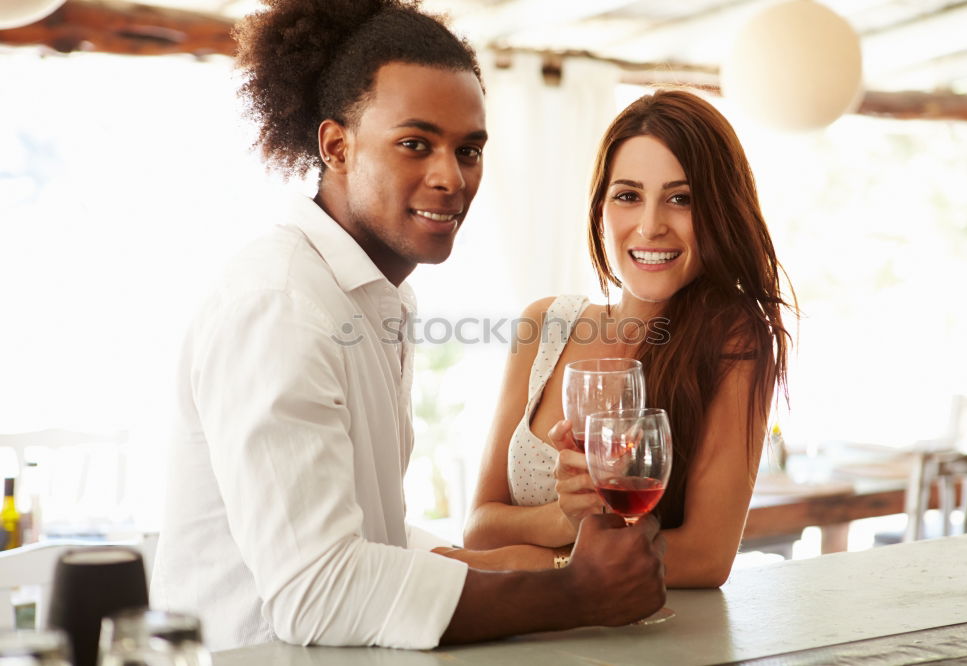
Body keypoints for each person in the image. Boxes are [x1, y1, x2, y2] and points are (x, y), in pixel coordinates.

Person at [150, 0, 666, 653]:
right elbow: (319, 592)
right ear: (336, 146)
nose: (451, 177)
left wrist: (521, 563)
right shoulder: (281, 304)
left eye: (469, 149)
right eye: (415, 143)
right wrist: (574, 595)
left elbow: (370, 544)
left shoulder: (375, 299)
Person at [464, 89, 795, 587]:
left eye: (681, 199)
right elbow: (480, 530)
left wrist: (544, 562)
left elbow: (706, 559)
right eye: (628, 196)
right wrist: (564, 518)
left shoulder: (735, 340)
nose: (650, 225)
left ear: (721, 211)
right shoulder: (546, 325)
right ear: (601, 207)